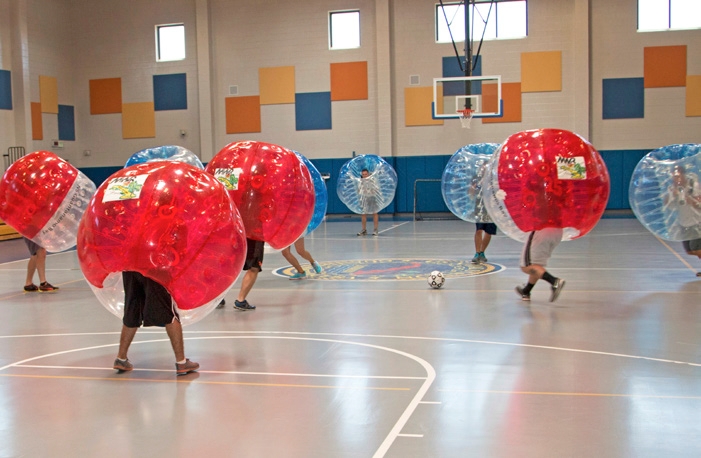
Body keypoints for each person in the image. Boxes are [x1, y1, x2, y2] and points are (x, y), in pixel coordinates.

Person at [113, 271, 199, 375]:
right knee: (169, 314)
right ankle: (181, 362)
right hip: (153, 264)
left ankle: (121, 358)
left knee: (132, 311)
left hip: (130, 267)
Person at [515, 227, 566, 302]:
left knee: (526, 266)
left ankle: (554, 281)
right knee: (536, 265)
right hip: (557, 231)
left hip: (541, 231)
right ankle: (526, 291)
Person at [231, 237, 264, 311]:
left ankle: (218, 297)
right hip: (254, 236)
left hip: (236, 234)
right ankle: (240, 300)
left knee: (230, 265)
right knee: (254, 268)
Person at [357, 168, 379, 236]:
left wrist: (372, 191)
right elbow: (358, 190)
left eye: (366, 174)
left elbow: (377, 189)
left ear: (368, 174)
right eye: (363, 174)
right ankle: (364, 230)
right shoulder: (360, 181)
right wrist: (362, 191)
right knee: (363, 214)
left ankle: (375, 229)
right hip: (364, 198)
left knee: (374, 213)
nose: (364, 176)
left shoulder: (373, 180)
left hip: (372, 197)